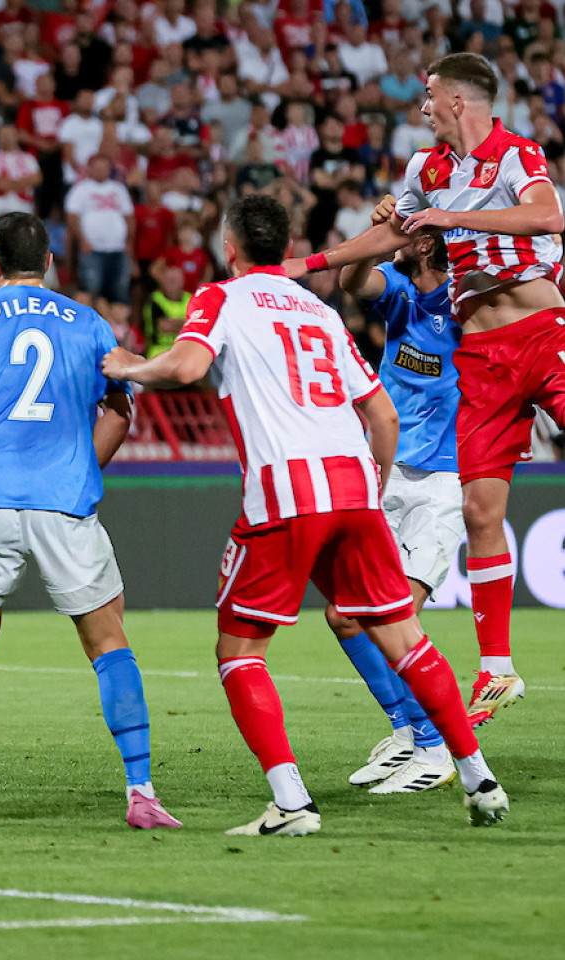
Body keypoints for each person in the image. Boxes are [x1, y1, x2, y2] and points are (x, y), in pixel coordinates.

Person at [104, 196, 508, 834]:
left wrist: (131, 367)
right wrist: (371, 486)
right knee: (403, 637)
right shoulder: (316, 308)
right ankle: (478, 776)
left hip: (285, 493)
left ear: (230, 248)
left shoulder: (222, 296)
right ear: (281, 243)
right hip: (355, 486)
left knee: (240, 652)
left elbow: (185, 366)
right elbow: (383, 415)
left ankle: (292, 802)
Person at [284, 52, 565, 727]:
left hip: (542, 328)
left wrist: (451, 220)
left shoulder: (513, 154)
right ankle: (497, 669)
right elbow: (392, 232)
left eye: (430, 95)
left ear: (462, 101)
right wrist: (312, 262)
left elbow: (547, 218)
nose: (422, 106)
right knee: (479, 509)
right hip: (484, 354)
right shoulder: (426, 170)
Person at [0, 213, 182, 831]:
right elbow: (118, 411)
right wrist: (82, 468)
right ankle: (140, 790)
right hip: (65, 503)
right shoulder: (87, 323)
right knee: (109, 642)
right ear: (51, 262)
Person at [332, 197, 460, 794]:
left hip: (440, 480)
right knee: (345, 614)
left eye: (414, 227)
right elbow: (351, 278)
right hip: (384, 475)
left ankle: (436, 753)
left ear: (431, 241)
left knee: (394, 616)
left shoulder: (468, 304)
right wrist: (381, 231)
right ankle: (407, 733)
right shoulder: (402, 299)